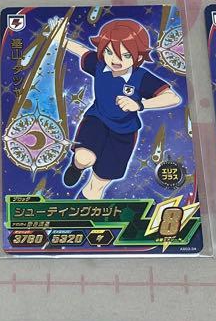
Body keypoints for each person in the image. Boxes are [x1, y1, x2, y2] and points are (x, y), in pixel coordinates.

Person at [61, 18, 182, 200]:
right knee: (84, 158)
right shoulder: (99, 65)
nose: (115, 60)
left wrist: (140, 104)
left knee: (98, 183)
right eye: (109, 52)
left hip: (124, 132)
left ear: (138, 57)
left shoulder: (141, 77)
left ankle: (82, 211)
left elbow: (172, 97)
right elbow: (82, 51)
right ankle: (76, 167)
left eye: (125, 55)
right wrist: (60, 39)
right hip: (97, 120)